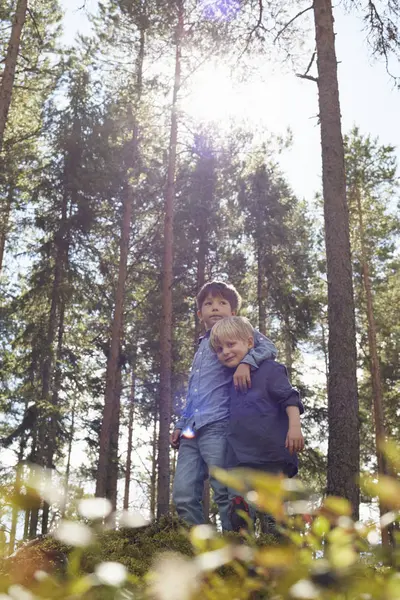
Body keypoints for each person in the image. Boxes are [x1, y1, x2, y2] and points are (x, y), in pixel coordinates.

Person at [170, 281, 277, 531]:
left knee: (224, 492)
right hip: (190, 430)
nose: (214, 308)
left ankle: (235, 550)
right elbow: (194, 392)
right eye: (208, 304)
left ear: (233, 312)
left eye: (222, 303)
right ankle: (198, 548)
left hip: (218, 424)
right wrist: (179, 423)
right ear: (200, 314)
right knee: (184, 494)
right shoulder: (201, 345)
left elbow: (269, 347)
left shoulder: (237, 334)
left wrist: (246, 363)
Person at [209, 316, 305, 531]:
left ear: (250, 343)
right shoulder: (226, 378)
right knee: (239, 514)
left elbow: (289, 398)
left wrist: (295, 427)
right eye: (219, 349)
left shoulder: (270, 369)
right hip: (238, 458)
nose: (225, 352)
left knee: (274, 517)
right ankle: (243, 553)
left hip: (271, 454)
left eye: (231, 344)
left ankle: (277, 556)